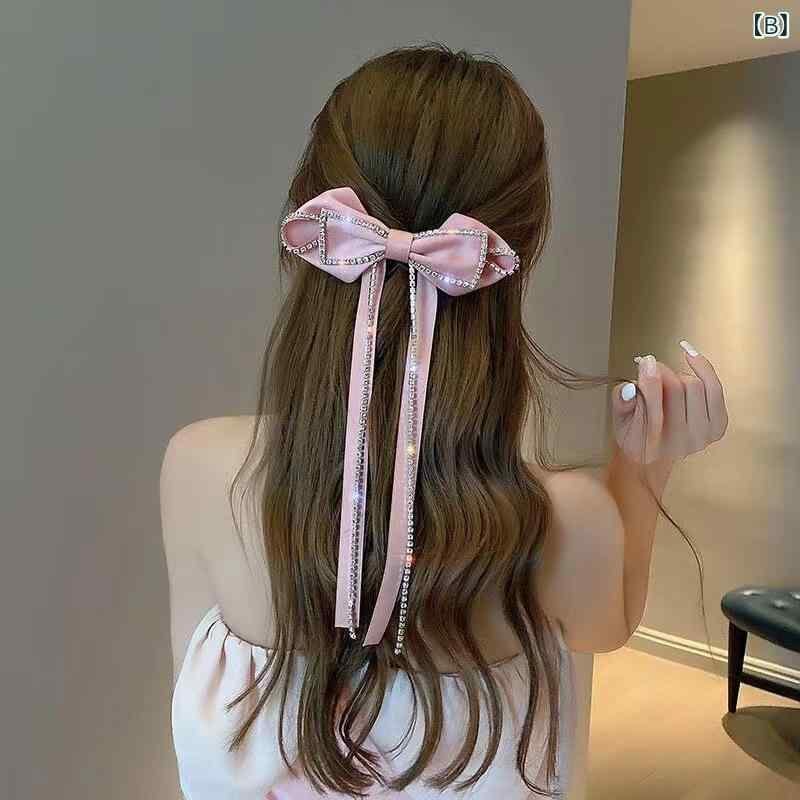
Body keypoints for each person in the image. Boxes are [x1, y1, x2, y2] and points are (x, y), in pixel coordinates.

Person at [160, 44, 728, 799]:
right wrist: (646, 466)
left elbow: (194, 712)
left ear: (315, 220)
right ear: (514, 255)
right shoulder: (567, 519)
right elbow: (608, 621)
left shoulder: (197, 467)